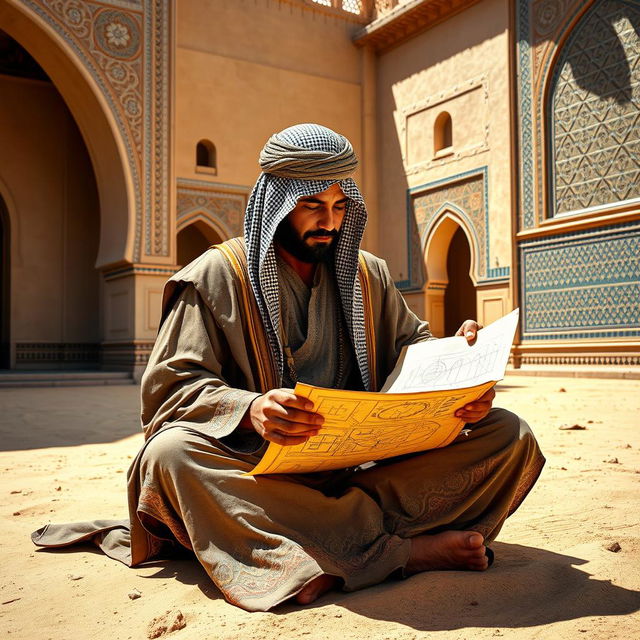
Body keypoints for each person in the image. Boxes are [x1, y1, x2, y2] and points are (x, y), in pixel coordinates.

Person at [32, 124, 545, 612]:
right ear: (276, 204)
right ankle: (403, 553)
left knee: (508, 433)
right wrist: (250, 407)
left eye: (340, 206)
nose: (329, 221)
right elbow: (168, 388)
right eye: (312, 206)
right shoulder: (217, 275)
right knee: (169, 456)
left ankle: (317, 547)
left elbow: (413, 348)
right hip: (259, 474)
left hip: (361, 473)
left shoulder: (369, 275)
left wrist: (459, 370)